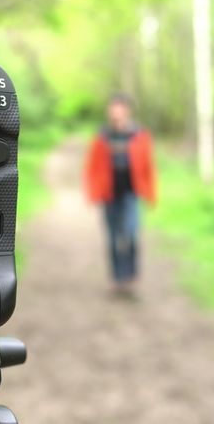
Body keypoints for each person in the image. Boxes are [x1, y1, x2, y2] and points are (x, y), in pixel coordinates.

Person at [84, 94, 157, 296]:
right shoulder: (102, 136)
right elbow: (92, 166)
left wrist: (151, 192)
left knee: (131, 234)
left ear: (127, 111)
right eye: (112, 108)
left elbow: (148, 166)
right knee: (113, 238)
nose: (115, 112)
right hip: (109, 195)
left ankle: (131, 278)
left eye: (119, 108)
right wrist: (93, 191)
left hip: (131, 194)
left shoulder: (139, 135)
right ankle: (117, 280)